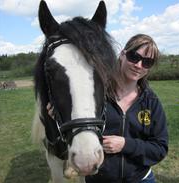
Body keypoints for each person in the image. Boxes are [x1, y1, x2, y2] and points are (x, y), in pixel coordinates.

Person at [47, 34, 168, 183]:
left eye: (147, 62)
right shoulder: (96, 95)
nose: (139, 65)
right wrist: (60, 118)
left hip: (141, 178)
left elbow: (160, 149)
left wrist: (125, 144)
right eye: (134, 57)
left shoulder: (151, 102)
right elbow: (69, 140)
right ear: (122, 54)